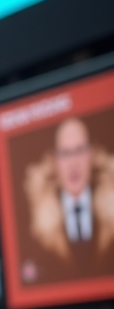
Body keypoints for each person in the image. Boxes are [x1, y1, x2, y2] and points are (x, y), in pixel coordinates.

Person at [22, 117, 114, 282]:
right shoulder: (42, 227)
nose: (73, 163)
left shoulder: (109, 212)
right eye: (65, 153)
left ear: (91, 154)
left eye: (80, 150)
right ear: (55, 160)